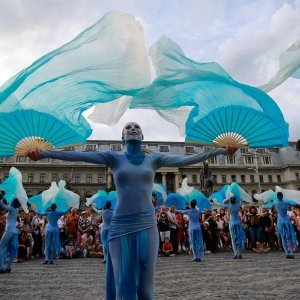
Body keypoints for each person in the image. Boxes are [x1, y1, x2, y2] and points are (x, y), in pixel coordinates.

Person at [27, 121, 236, 300]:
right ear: (122, 136)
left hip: (147, 224)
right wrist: (43, 153)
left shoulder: (154, 159)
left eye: (137, 127)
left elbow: (187, 159)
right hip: (120, 226)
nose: (133, 128)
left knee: (146, 288)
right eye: (128, 127)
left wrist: (222, 150)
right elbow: (77, 156)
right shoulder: (113, 157)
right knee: (124, 283)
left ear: (143, 136)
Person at [271, 192, 299, 259]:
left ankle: (287, 253)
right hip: (286, 220)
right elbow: (294, 204)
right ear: (282, 196)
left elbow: (272, 209)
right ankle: (291, 253)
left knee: (283, 237)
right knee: (289, 237)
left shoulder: (275, 203)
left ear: (277, 197)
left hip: (280, 220)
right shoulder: (286, 202)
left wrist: (274, 210)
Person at [0, 192, 22, 273]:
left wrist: (1, 197)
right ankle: (8, 267)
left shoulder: (12, 210)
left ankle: (0, 268)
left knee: (1, 248)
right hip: (14, 231)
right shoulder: (15, 210)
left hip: (9, 230)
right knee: (12, 250)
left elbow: (2, 205)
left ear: (13, 203)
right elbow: (8, 204)